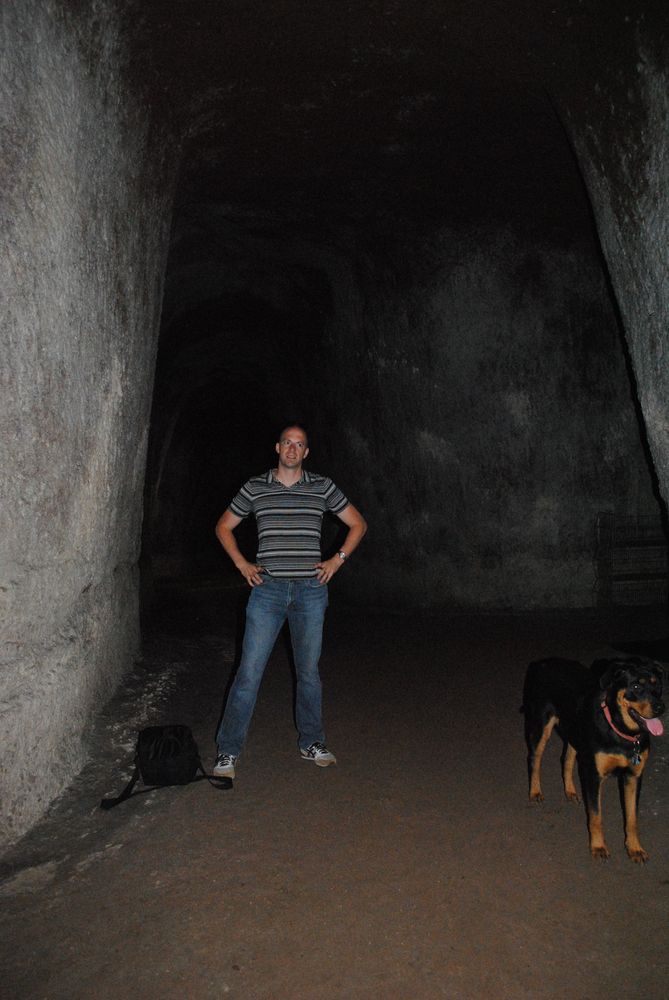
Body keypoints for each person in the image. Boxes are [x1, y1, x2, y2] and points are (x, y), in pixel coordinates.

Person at [213, 425, 367, 778]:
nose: (293, 449)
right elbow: (224, 526)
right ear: (277, 447)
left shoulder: (322, 486)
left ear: (306, 452)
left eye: (300, 445)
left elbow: (357, 524)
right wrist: (241, 563)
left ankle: (312, 741)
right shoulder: (255, 487)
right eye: (288, 443)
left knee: (308, 672)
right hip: (266, 591)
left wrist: (336, 560)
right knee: (249, 672)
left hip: (310, 591)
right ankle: (228, 751)